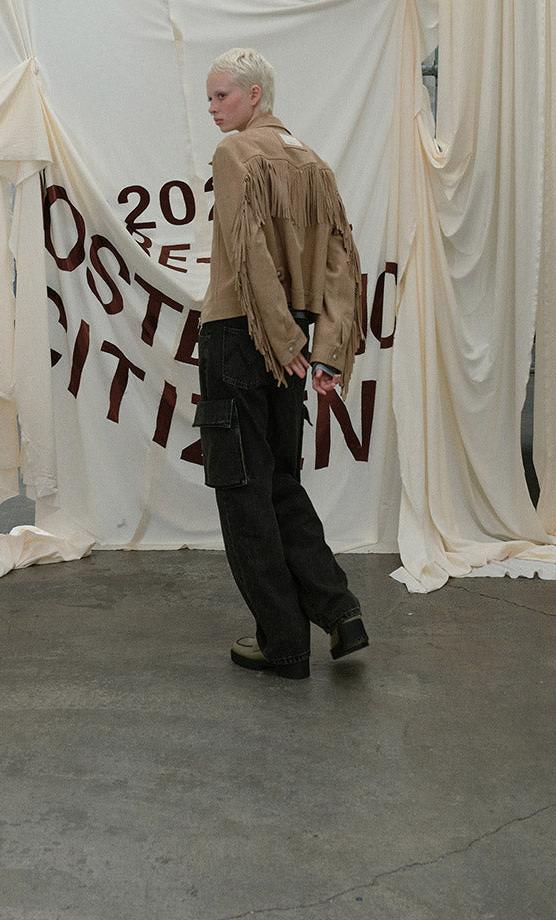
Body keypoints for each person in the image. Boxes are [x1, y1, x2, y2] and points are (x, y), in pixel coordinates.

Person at [195, 48, 368, 679]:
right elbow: (342, 265)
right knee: (280, 484)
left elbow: (247, 253)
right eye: (210, 97)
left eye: (221, 96)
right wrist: (323, 351)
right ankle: (340, 612)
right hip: (287, 339)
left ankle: (285, 643)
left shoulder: (236, 153)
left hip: (241, 335)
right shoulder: (313, 162)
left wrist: (281, 340)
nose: (212, 108)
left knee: (244, 492)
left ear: (254, 95)